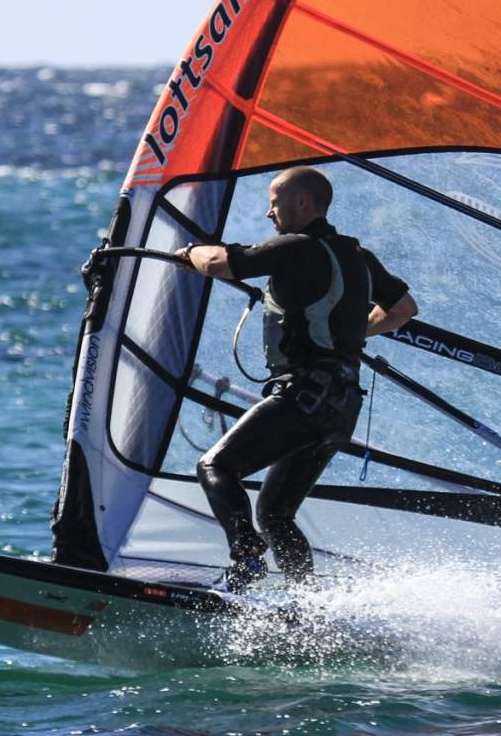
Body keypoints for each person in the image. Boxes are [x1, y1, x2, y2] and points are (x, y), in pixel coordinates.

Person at [174, 166, 418, 591]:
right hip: (341, 408)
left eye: (274, 202)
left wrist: (190, 252)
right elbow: (402, 309)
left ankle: (246, 557)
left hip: (304, 397)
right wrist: (349, 332)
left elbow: (221, 263)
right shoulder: (357, 256)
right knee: (275, 514)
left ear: (303, 203)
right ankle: (304, 606)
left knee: (216, 466)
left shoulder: (294, 248)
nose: (269, 213)